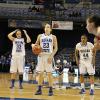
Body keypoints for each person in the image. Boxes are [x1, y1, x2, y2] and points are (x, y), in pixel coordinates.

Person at [32, 23, 58, 96]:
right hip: (41, 56)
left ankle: (50, 90)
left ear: (50, 29)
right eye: (46, 27)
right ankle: (39, 89)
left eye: (48, 27)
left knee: (49, 74)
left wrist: (51, 56)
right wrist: (35, 49)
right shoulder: (40, 36)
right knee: (40, 73)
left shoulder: (53, 37)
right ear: (44, 29)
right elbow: (36, 45)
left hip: (49, 56)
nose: (47, 28)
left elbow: (56, 48)